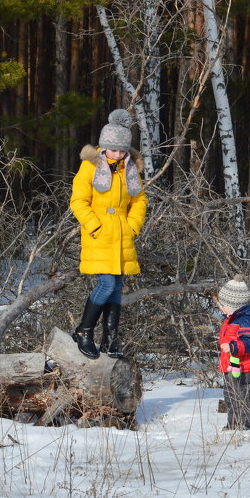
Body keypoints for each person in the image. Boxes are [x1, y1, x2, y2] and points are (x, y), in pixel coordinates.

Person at [68, 108, 147, 359]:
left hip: (122, 234)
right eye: (114, 150)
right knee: (107, 283)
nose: (119, 154)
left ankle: (111, 339)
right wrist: (95, 226)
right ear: (104, 147)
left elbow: (140, 201)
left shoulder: (130, 169)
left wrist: (133, 225)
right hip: (99, 234)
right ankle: (84, 331)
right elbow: (78, 201)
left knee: (117, 286)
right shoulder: (90, 167)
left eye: (123, 150)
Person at [215, 275, 250, 430]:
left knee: (244, 397)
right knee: (231, 397)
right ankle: (234, 425)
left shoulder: (247, 321)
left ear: (234, 305)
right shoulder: (233, 319)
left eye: (223, 305)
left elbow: (249, 342)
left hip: (246, 369)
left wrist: (233, 347)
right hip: (233, 367)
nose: (221, 308)